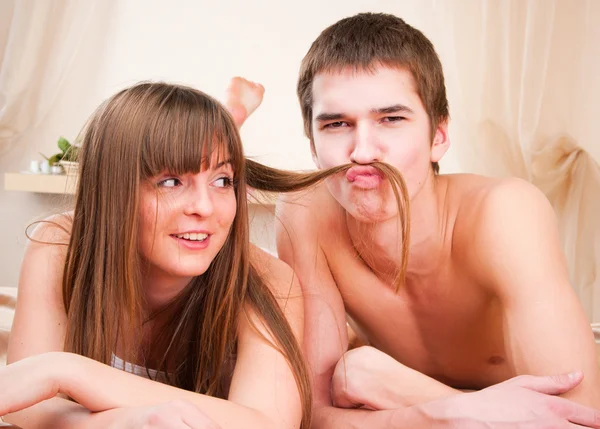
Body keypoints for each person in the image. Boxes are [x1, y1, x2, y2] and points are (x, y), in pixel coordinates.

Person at [228, 12, 600, 429]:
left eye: (391, 119)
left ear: (438, 136)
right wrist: (451, 411)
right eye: (337, 124)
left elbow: (576, 419)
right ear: (313, 146)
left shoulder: (505, 213)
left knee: (361, 371)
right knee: (358, 370)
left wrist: (390, 385)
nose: (363, 151)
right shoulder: (306, 215)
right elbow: (313, 413)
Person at [0, 82, 312, 429]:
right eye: (170, 181)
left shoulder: (269, 281)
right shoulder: (60, 246)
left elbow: (269, 424)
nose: (205, 208)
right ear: (114, 189)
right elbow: (23, 405)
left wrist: (65, 371)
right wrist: (128, 423)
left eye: (223, 180)